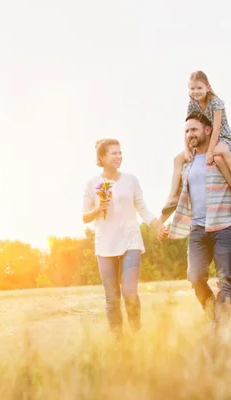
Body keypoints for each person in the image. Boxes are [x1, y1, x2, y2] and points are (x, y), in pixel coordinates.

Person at [158, 113, 231, 326]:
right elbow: (175, 196)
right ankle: (218, 319)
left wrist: (228, 156)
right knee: (195, 277)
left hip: (225, 225)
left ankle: (221, 328)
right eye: (187, 131)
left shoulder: (219, 153)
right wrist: (161, 221)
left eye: (194, 129)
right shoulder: (186, 163)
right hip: (198, 228)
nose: (190, 134)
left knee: (225, 278)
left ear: (207, 130)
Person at [83, 138, 163, 337]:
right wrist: (97, 208)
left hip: (131, 241)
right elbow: (84, 217)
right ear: (102, 157)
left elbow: (142, 208)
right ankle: (118, 341)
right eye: (114, 153)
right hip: (105, 245)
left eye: (120, 153)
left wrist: (157, 224)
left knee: (129, 292)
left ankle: (137, 333)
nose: (119, 156)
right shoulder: (92, 184)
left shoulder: (131, 180)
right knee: (112, 297)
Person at [162, 70, 231, 216]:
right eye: (192, 88)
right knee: (178, 159)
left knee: (217, 157)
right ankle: (172, 197)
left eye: (199, 88)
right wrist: (187, 149)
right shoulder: (192, 104)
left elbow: (216, 129)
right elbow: (188, 126)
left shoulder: (216, 103)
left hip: (222, 138)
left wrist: (209, 151)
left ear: (207, 88)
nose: (195, 92)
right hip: (206, 137)